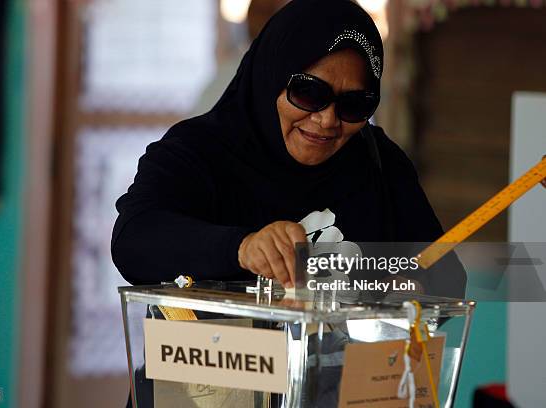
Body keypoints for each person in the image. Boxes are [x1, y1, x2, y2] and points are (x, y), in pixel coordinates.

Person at [112, 0, 467, 300]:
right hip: (207, 378)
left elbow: (444, 273)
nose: (327, 120)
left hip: (340, 380)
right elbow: (134, 240)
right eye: (310, 93)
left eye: (355, 103)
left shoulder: (379, 163)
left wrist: (407, 289)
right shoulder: (198, 151)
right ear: (270, 77)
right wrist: (242, 247)